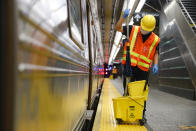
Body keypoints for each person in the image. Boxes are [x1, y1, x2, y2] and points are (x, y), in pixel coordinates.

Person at [115, 9, 160, 121]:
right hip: (129, 67)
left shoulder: (156, 39)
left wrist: (156, 64)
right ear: (140, 24)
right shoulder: (132, 29)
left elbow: (155, 52)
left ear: (152, 29)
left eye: (147, 29)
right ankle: (125, 112)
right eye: (143, 28)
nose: (144, 30)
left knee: (141, 93)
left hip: (143, 70)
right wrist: (122, 18)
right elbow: (117, 28)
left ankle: (141, 114)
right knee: (127, 90)